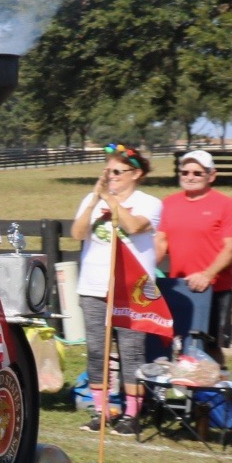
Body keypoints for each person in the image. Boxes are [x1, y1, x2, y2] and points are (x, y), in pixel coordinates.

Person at [71, 143, 161, 435]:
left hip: (132, 288)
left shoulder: (150, 203)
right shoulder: (93, 199)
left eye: (117, 171)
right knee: (97, 350)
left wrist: (110, 200)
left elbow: (134, 226)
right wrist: (95, 201)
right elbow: (77, 233)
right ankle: (102, 411)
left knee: (131, 351)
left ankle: (132, 414)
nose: (110, 175)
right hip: (93, 286)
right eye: (107, 171)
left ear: (136, 173)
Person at [154, 149, 232, 365]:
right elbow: (160, 241)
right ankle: (183, 389)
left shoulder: (226, 204)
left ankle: (216, 394)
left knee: (210, 345)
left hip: (214, 287)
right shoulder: (169, 203)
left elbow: (231, 247)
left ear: (211, 175)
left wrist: (207, 274)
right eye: (185, 172)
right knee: (176, 340)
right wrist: (145, 271)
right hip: (179, 287)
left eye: (197, 173)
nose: (190, 177)